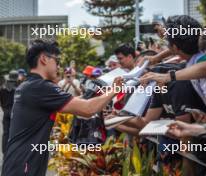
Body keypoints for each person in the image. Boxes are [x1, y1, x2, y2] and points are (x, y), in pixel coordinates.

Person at [1, 39, 123, 176]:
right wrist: (114, 90)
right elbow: (87, 109)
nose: (59, 66)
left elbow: (76, 102)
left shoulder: (30, 85)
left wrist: (95, 93)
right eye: (57, 61)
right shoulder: (41, 87)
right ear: (43, 59)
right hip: (24, 166)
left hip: (19, 162)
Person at [0, 70, 19, 155]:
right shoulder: (16, 90)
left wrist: (4, 108)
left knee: (5, 133)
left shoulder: (2, 89)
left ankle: (4, 151)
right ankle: (13, 150)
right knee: (14, 132)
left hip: (5, 112)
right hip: (14, 113)